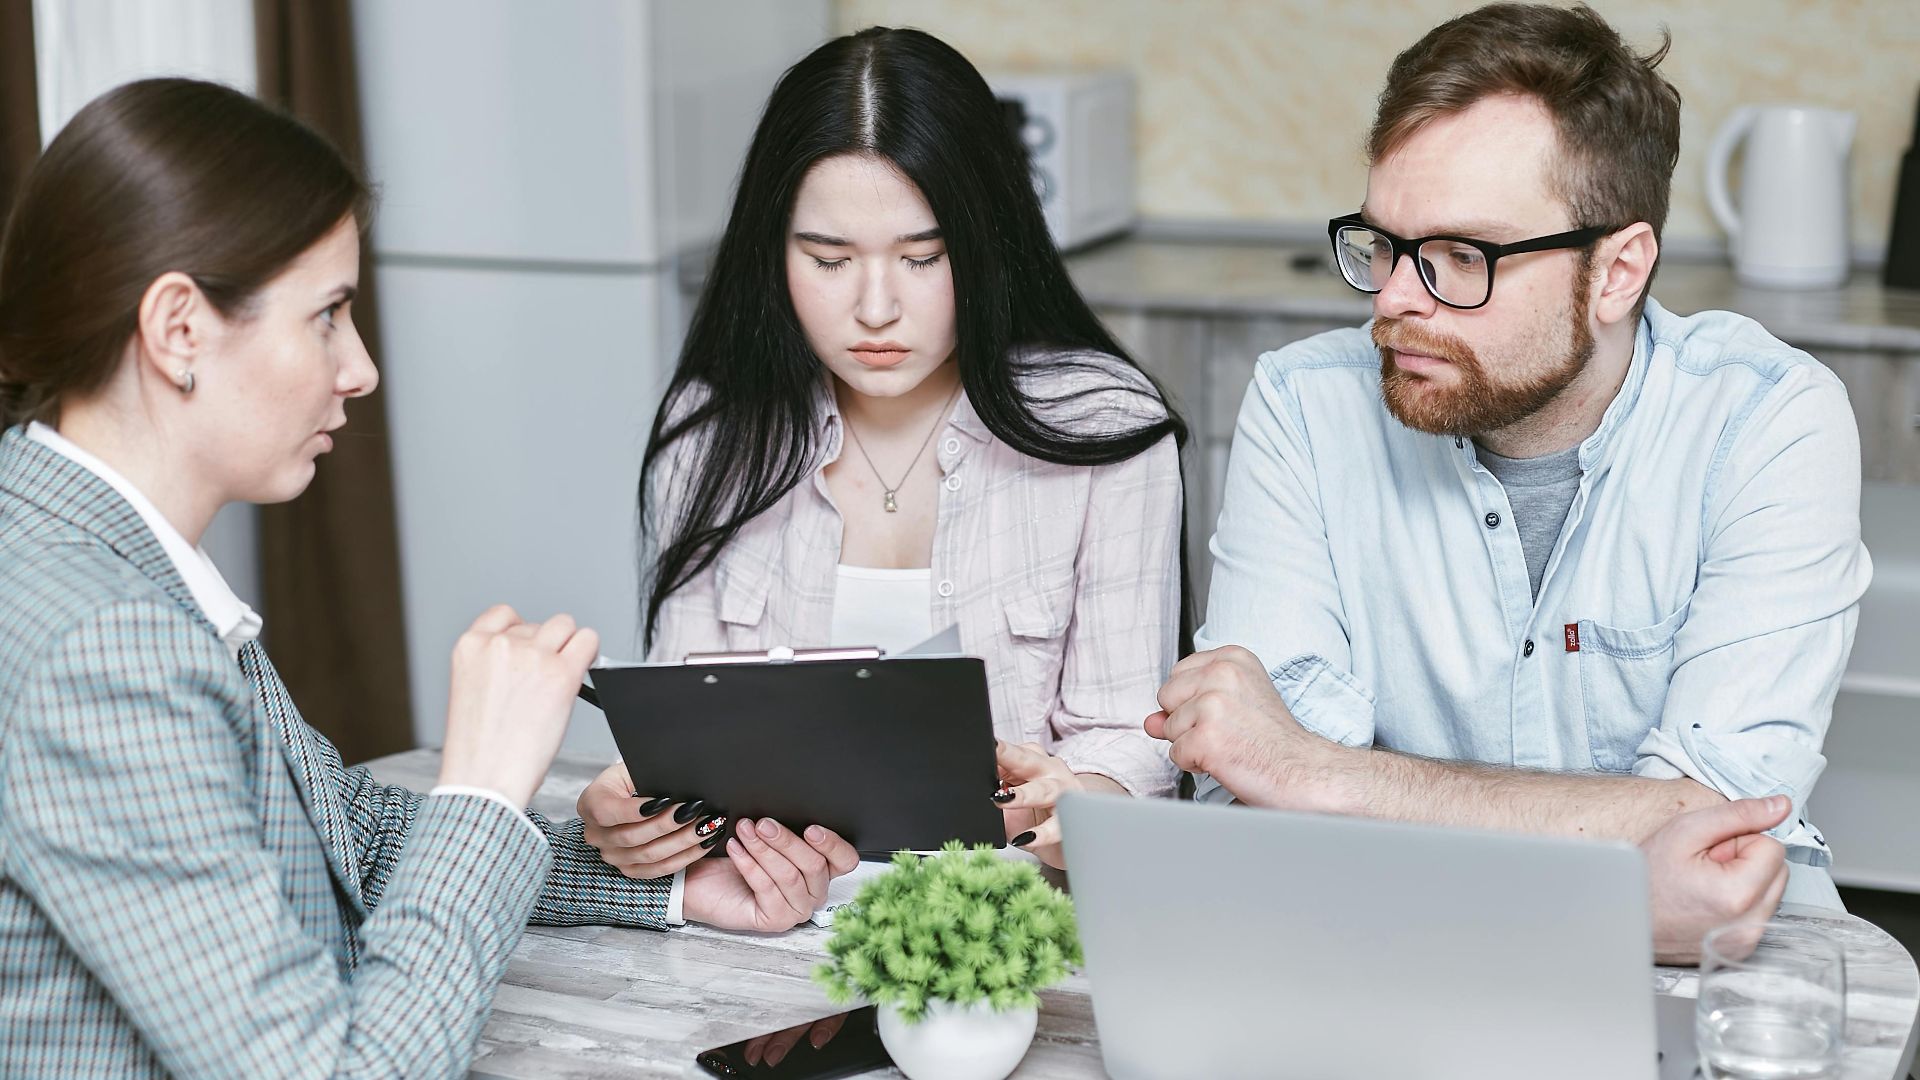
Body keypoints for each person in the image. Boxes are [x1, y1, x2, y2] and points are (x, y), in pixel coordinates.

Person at [0, 79, 856, 1077]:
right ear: (179, 329)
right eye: (327, 316)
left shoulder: (82, 547)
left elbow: (340, 830)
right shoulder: (103, 645)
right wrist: (487, 783)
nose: (358, 369)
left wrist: (667, 886)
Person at [1150, 2, 1869, 915]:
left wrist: (1322, 774)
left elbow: (1716, 826)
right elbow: (1251, 793)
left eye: (1461, 254)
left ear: (1618, 271)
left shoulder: (1768, 420)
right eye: (1384, 244)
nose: (1396, 301)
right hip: (1374, 938)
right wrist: (1617, 848)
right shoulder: (1304, 407)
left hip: (1718, 972)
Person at [576, 27, 1189, 880]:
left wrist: (1082, 796)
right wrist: (639, 817)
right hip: (765, 934)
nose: (875, 309)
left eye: (923, 257)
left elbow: (1137, 741)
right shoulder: (712, 430)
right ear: (772, 250)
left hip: (1011, 935)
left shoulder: (1102, 428)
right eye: (828, 259)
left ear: (987, 243)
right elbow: (688, 744)